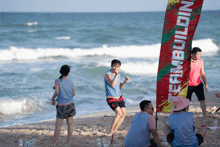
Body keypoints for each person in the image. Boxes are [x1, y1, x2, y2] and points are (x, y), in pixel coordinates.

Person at [51, 65, 76, 144]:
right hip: (71, 104)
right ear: (68, 72)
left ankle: (54, 143)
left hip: (62, 106)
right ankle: (68, 142)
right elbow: (74, 93)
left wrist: (52, 99)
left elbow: (57, 92)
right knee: (70, 124)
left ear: (60, 71)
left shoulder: (57, 81)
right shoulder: (71, 81)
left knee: (58, 125)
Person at [104, 59, 129, 132]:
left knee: (124, 114)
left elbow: (119, 87)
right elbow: (112, 84)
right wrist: (116, 75)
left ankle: (115, 129)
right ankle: (111, 129)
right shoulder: (107, 75)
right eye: (114, 66)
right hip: (111, 98)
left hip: (119, 97)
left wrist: (125, 81)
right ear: (111, 66)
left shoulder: (118, 75)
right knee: (119, 113)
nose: (116, 68)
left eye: (118, 67)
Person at [186, 47, 209, 117]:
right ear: (192, 54)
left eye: (200, 54)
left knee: (202, 100)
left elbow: (202, 73)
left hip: (198, 84)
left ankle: (205, 115)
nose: (199, 56)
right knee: (187, 101)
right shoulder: (187, 62)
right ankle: (185, 115)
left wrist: (206, 84)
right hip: (188, 85)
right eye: (198, 54)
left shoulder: (200, 61)